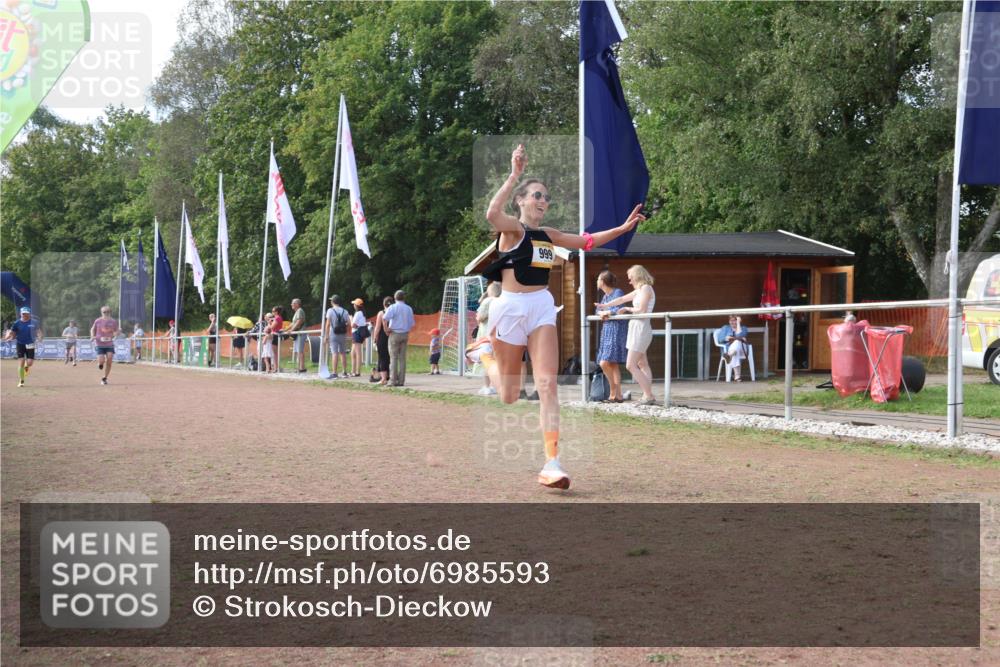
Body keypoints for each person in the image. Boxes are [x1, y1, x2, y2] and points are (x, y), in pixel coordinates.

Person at [468, 143, 644, 489]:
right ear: (521, 200)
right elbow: (491, 213)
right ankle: (484, 353)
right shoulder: (511, 230)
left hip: (541, 308)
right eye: (536, 195)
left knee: (548, 384)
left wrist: (621, 230)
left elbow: (588, 241)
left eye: (546, 197)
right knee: (508, 395)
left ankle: (552, 462)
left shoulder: (549, 236)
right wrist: (514, 175)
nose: (543, 201)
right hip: (509, 309)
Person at [596, 265, 657, 405]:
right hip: (636, 327)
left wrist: (626, 309)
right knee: (642, 363)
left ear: (637, 277)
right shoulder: (639, 290)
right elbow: (621, 299)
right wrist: (604, 306)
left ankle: (648, 395)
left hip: (641, 328)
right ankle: (647, 394)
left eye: (631, 279)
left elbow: (641, 310)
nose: (629, 282)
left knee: (630, 365)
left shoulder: (646, 288)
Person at [596, 270, 627, 402]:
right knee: (612, 364)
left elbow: (618, 309)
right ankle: (617, 395)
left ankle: (613, 389)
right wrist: (601, 313)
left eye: (598, 279)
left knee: (604, 362)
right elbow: (598, 310)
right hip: (607, 329)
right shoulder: (605, 297)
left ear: (602, 282)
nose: (597, 282)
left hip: (616, 329)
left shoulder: (617, 293)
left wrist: (606, 312)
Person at [383, 290, 415, 386]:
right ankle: (401, 381)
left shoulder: (393, 307)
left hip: (394, 333)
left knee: (393, 358)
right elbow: (412, 323)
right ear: (404, 298)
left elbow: (384, 319)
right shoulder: (409, 308)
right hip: (405, 334)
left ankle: (393, 380)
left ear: (395, 297)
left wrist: (386, 330)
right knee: (402, 358)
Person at [475, 282, 501, 395]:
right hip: (499, 335)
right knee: (496, 361)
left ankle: (487, 387)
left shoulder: (488, 301)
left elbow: (480, 317)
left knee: (486, 361)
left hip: (486, 335)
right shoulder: (502, 301)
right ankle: (494, 386)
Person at [5, 307, 39, 387]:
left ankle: (26, 368)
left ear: (29, 314)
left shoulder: (34, 322)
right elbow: (13, 333)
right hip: (20, 344)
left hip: (30, 343)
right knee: (21, 361)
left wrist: (40, 336)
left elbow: (38, 331)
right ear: (21, 313)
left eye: (26, 313)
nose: (25, 315)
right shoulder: (17, 323)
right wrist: (10, 338)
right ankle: (21, 380)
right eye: (23, 313)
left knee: (29, 363)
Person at [90, 305, 119, 385]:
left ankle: (104, 378)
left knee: (109, 360)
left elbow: (116, 332)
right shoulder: (98, 321)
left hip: (109, 343)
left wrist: (116, 333)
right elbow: (92, 329)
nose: (106, 313)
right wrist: (92, 336)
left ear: (110, 312)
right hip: (99, 343)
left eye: (108, 312)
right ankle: (100, 363)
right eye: (104, 312)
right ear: (101, 313)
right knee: (101, 360)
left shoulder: (113, 321)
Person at [716, 314, 749, 382]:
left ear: (739, 321)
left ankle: (729, 355)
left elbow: (739, 335)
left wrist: (738, 324)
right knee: (735, 352)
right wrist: (726, 338)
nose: (733, 322)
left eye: (735, 320)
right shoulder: (725, 328)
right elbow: (720, 339)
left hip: (742, 349)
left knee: (737, 342)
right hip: (730, 349)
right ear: (729, 321)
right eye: (731, 320)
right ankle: (737, 376)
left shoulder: (744, 328)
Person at [324, 295, 351, 378]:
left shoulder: (330, 310)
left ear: (332, 302)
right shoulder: (345, 311)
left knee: (334, 353)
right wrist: (346, 332)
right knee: (342, 353)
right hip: (342, 334)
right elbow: (349, 324)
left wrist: (326, 335)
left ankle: (334, 372)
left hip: (333, 334)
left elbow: (328, 324)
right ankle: (344, 372)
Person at [372, 296, 393, 385]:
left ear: (383, 304)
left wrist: (374, 338)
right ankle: (389, 376)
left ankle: (383, 378)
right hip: (391, 336)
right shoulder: (393, 313)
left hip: (382, 337)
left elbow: (377, 328)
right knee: (390, 357)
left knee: (382, 357)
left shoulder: (381, 313)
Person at [350, 298, 367, 377]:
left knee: (357, 353)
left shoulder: (358, 313)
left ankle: (357, 372)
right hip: (357, 333)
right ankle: (353, 371)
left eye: (354, 304)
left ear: (356, 306)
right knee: (353, 353)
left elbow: (352, 325)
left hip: (357, 333)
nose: (353, 305)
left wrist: (350, 318)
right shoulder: (362, 313)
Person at [290, 298, 307, 373]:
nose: (291, 304)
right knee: (298, 350)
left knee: (300, 351)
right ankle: (300, 367)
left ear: (297, 304)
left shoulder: (300, 310)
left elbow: (299, 322)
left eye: (292, 303)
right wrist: (285, 330)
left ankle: (302, 368)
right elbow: (293, 323)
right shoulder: (297, 311)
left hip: (300, 333)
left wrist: (291, 330)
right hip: (297, 333)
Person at [270, 306, 284, 370]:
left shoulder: (277, 318)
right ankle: (276, 367)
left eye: (273, 311)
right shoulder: (278, 318)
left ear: (276, 312)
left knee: (275, 353)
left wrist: (269, 322)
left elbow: (272, 327)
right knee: (275, 353)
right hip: (275, 335)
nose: (272, 312)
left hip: (275, 336)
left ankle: (276, 368)